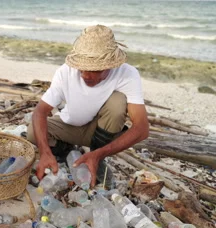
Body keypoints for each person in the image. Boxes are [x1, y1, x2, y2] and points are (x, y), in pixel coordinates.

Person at [28, 25, 149, 187]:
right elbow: (40, 112)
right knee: (32, 131)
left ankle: (95, 157)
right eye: (82, 68)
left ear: (111, 64)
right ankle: (67, 150)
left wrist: (99, 154)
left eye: (95, 70)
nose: (85, 75)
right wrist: (44, 152)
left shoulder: (127, 73)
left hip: (103, 130)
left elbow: (142, 128)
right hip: (71, 126)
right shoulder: (65, 72)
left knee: (117, 102)